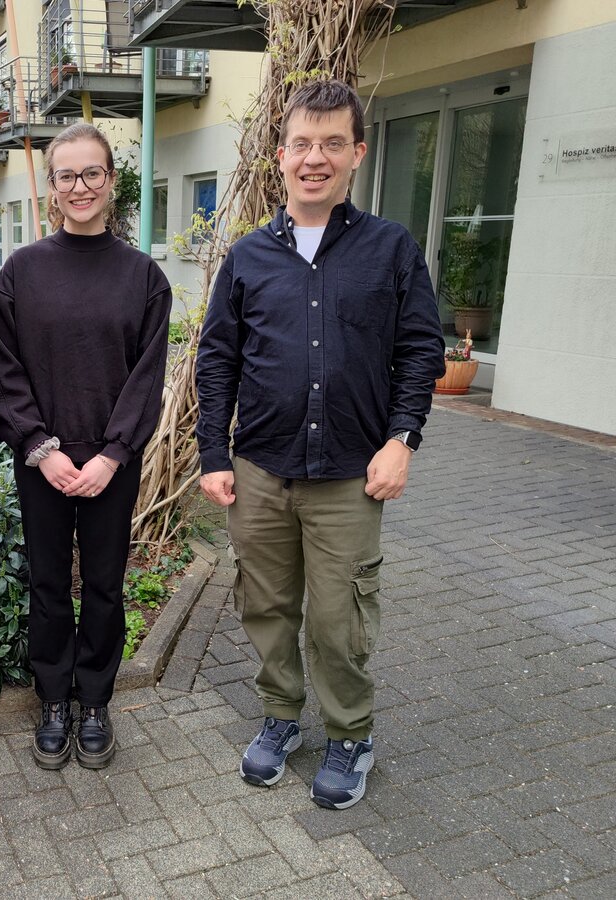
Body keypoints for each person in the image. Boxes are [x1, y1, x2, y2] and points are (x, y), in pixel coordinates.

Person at [196, 80, 445, 809]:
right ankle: (280, 717)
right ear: (280, 156)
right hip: (260, 469)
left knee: (340, 619)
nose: (315, 158)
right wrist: (214, 455)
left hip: (348, 475)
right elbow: (218, 359)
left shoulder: (390, 249)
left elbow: (420, 350)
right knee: (266, 607)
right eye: (302, 144)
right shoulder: (247, 256)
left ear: (357, 153)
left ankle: (349, 733)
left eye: (332, 143)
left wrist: (402, 439)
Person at [0, 123, 171, 770]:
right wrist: (42, 447)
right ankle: (53, 700)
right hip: (44, 461)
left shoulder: (142, 277)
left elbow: (148, 375)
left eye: (92, 173)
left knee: (103, 585)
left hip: (111, 464)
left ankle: (94, 700)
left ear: (111, 181)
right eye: (67, 175)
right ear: (52, 187)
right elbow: (3, 367)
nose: (80, 186)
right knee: (46, 583)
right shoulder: (23, 272)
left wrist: (114, 454)